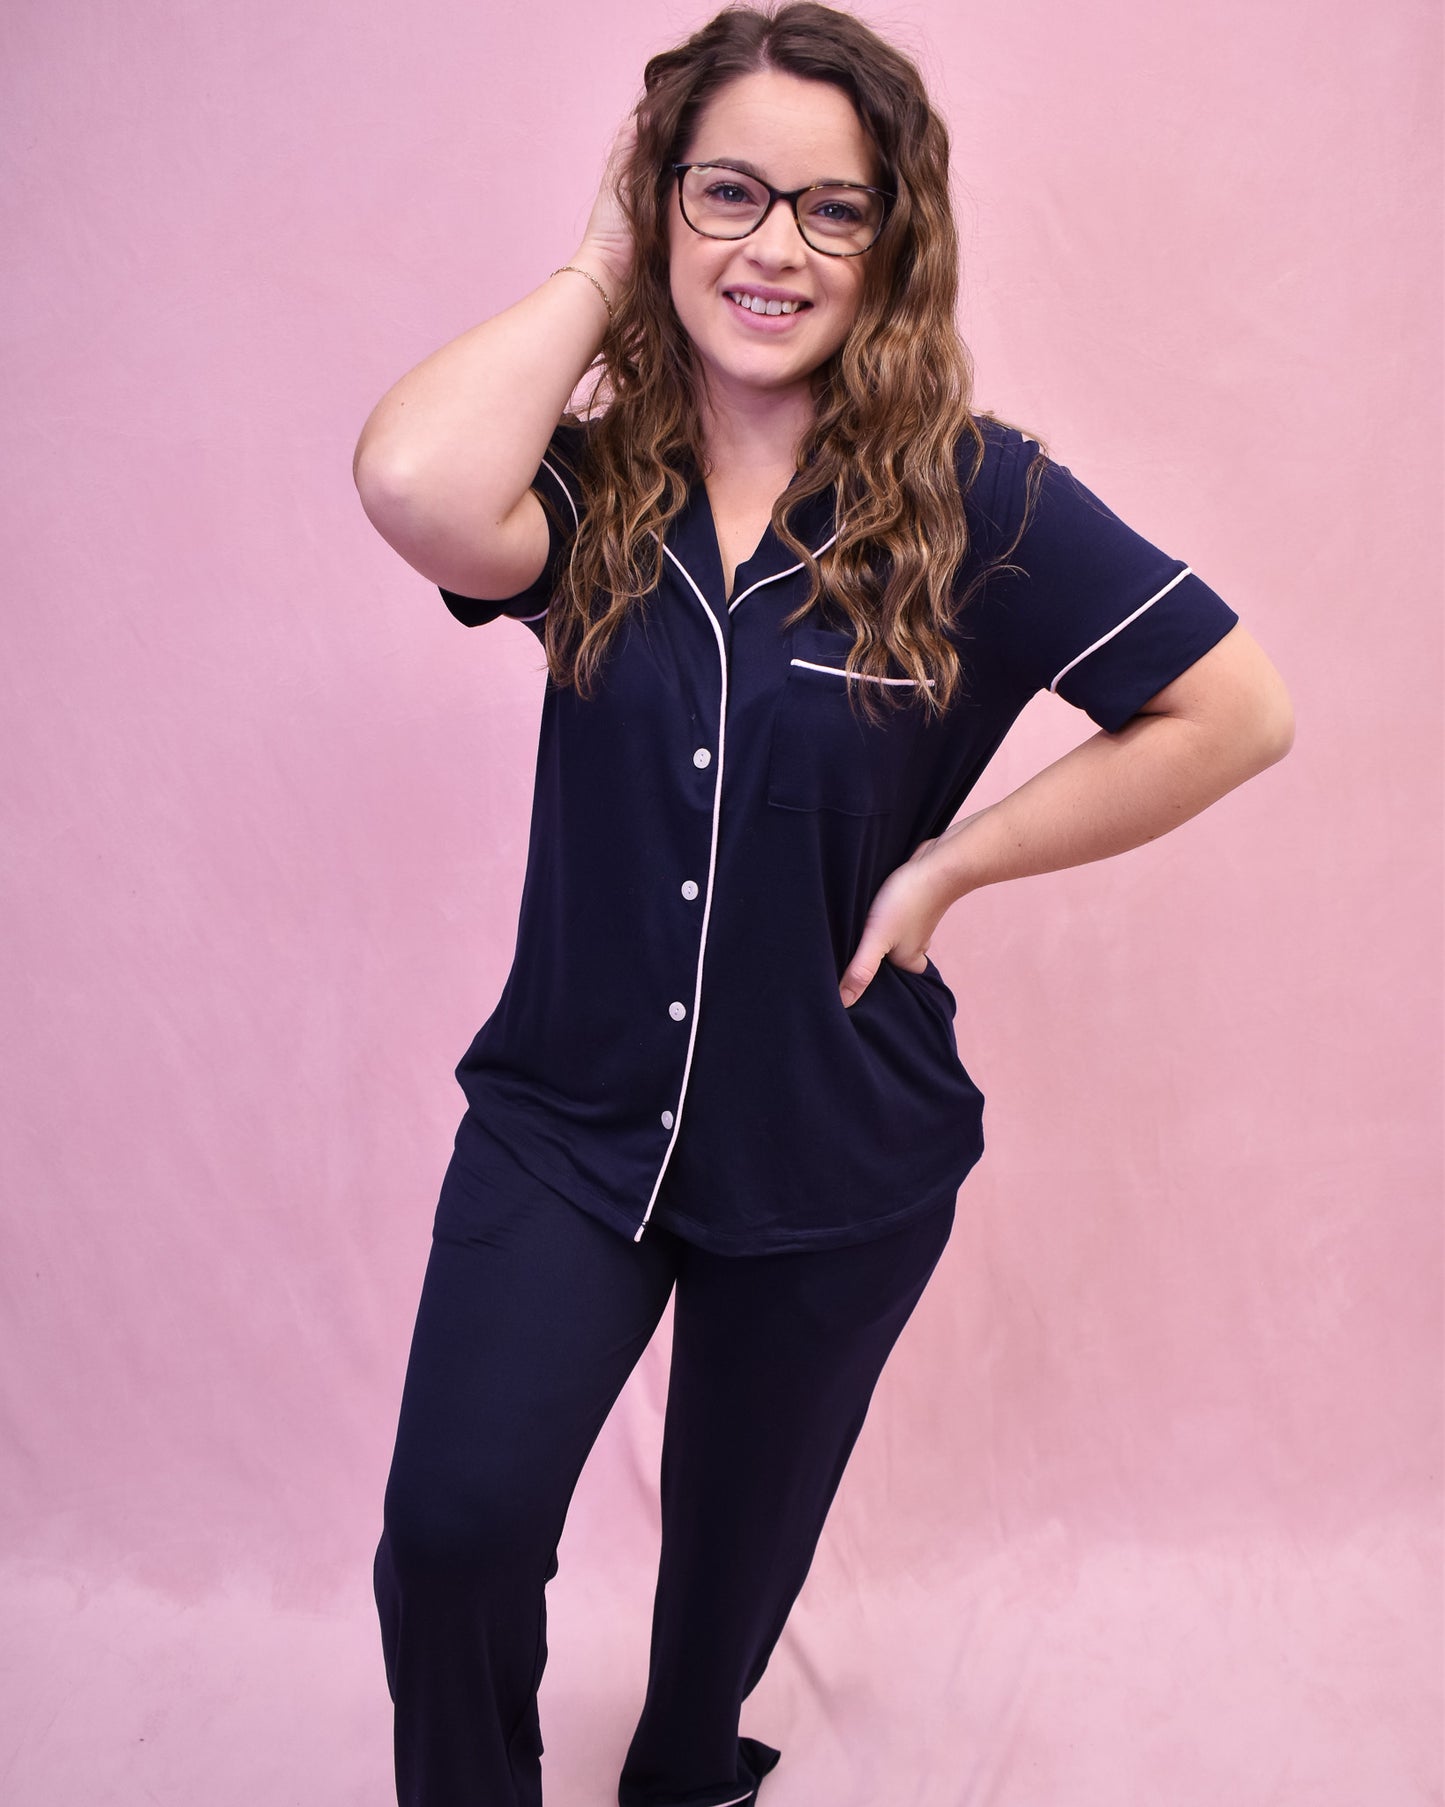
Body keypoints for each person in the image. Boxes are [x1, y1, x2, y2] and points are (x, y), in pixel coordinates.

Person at [351, 5, 1294, 1804]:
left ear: (891, 243)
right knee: (455, 1535)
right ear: (662, 199)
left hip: (835, 1142)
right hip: (567, 1124)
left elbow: (1236, 710)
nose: (775, 246)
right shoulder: (586, 478)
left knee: (721, 1596)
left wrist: (956, 860)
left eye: (832, 210)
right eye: (728, 193)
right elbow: (409, 484)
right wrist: (600, 254)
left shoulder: (975, 497)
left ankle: (686, 1770)